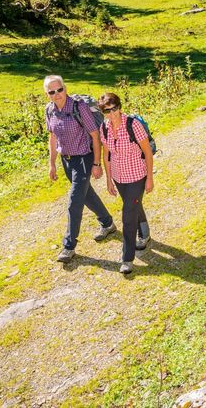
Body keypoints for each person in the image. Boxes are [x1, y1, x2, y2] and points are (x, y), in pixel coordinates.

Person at [44, 75, 115, 263]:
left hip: (83, 158)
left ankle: (69, 246)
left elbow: (94, 135)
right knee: (86, 194)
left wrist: (97, 164)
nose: (57, 94)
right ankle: (107, 223)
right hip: (66, 160)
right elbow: (52, 137)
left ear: (65, 88)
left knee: (74, 200)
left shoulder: (78, 107)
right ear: (47, 94)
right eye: (52, 92)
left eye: (59, 89)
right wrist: (52, 163)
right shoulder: (50, 110)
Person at [98, 92, 154, 274]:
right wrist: (108, 179)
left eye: (115, 108)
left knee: (128, 215)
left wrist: (150, 178)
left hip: (137, 175)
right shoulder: (104, 127)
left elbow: (147, 151)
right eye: (107, 110)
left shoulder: (133, 124)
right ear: (103, 112)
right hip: (118, 177)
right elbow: (106, 155)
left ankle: (127, 258)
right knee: (133, 205)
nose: (112, 113)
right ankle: (145, 233)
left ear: (119, 107)